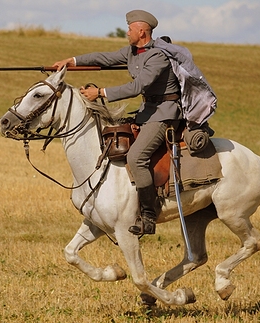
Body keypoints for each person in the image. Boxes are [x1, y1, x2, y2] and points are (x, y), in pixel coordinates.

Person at [53, 10, 182, 236]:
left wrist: (100, 93)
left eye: (130, 28)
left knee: (136, 156)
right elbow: (103, 58)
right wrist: (70, 62)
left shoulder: (158, 56)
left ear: (141, 31)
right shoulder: (133, 52)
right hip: (147, 111)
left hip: (164, 113)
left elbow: (138, 86)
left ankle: (148, 215)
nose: (127, 32)